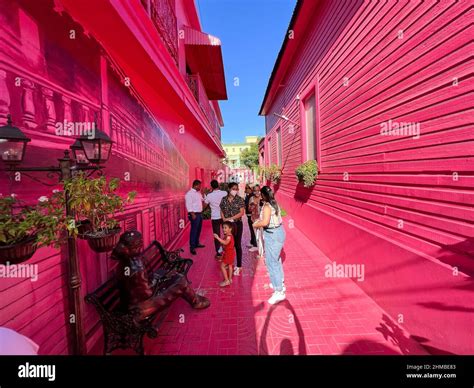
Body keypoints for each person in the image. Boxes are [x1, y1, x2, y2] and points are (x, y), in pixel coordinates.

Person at [253, 186, 286, 305]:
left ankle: (279, 292)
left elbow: (265, 222)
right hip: (278, 232)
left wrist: (256, 224)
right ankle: (279, 283)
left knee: (271, 262)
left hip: (272, 234)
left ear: (263, 195)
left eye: (261, 194)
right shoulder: (274, 203)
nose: (260, 196)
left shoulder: (267, 206)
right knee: (276, 260)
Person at [220, 182, 245, 276]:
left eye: (236, 189)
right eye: (233, 188)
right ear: (229, 189)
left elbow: (241, 213)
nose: (235, 190)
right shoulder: (224, 200)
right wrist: (224, 219)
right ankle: (228, 262)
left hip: (237, 224)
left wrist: (231, 218)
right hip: (227, 225)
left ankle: (239, 266)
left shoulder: (239, 200)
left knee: (237, 245)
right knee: (228, 244)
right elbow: (222, 210)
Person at [205, 179, 227, 259]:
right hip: (224, 217)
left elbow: (205, 205)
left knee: (216, 235)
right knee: (226, 234)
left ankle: (218, 253)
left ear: (211, 187)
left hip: (215, 217)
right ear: (218, 185)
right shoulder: (224, 193)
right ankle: (227, 250)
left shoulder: (209, 196)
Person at [185, 180, 205, 255]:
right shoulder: (189, 194)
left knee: (198, 229)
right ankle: (192, 247)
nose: (200, 187)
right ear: (195, 185)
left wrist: (203, 194)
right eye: (199, 186)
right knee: (194, 230)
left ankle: (196, 243)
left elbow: (203, 200)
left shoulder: (198, 193)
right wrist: (192, 214)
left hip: (199, 214)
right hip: (194, 214)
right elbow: (188, 205)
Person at [213, 221, 235, 287]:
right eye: (223, 228)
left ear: (230, 229)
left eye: (225, 228)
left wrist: (217, 238)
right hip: (231, 253)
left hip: (228, 254)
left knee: (222, 266)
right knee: (230, 266)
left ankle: (226, 280)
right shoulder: (229, 236)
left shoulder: (228, 237)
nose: (223, 229)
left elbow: (225, 243)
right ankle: (230, 279)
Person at [249, 185, 263, 255]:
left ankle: (263, 251)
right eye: (255, 190)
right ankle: (259, 250)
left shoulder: (263, 197)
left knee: (262, 236)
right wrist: (252, 207)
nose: (257, 192)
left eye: (258, 190)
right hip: (254, 219)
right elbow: (249, 209)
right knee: (256, 236)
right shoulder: (251, 198)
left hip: (262, 220)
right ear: (253, 191)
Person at [244, 184, 258, 250]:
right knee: (251, 230)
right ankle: (252, 242)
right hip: (248, 215)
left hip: (251, 215)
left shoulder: (252, 196)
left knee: (253, 230)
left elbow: (251, 206)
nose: (246, 189)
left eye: (248, 188)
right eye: (246, 188)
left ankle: (255, 244)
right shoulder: (248, 195)